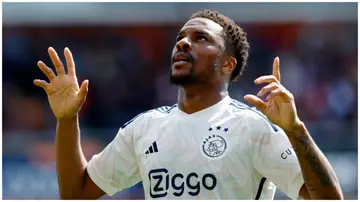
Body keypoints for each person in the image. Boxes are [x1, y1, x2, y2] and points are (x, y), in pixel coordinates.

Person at [33, 9, 343, 200]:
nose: (183, 43)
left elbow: (329, 199)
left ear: (227, 65)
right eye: (181, 37)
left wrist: (296, 130)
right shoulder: (144, 127)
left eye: (201, 38)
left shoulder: (253, 128)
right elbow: (76, 193)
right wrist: (66, 119)